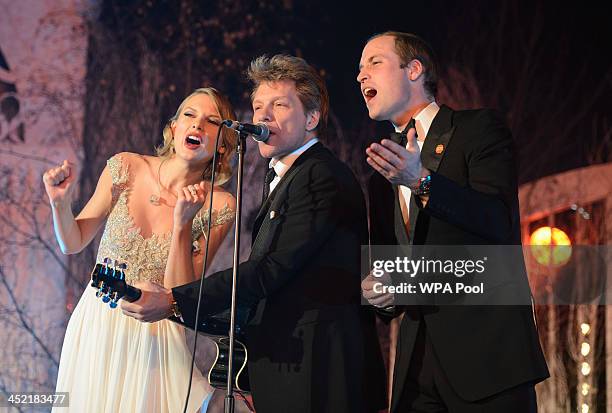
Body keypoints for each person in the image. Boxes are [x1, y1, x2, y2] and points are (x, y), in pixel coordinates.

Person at [121, 54, 387, 413]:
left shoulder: (319, 176)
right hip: (291, 366)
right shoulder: (285, 175)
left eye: (279, 105)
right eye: (258, 105)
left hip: (319, 375)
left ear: (311, 118)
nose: (262, 115)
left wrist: (174, 300)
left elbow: (270, 269)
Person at [358, 32, 549, 412]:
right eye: (358, 70)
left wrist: (421, 182)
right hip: (415, 371)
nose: (361, 76)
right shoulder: (380, 175)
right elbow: (389, 271)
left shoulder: (477, 129)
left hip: (488, 361)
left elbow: (497, 222)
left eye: (374, 63)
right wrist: (377, 290)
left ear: (414, 70)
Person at [44, 87, 238, 412]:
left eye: (212, 121)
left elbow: (183, 292)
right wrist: (59, 204)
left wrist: (182, 224)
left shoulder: (220, 205)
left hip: (156, 336)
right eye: (189, 115)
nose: (197, 126)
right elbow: (73, 241)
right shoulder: (126, 167)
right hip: (98, 323)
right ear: (174, 127)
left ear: (223, 144)